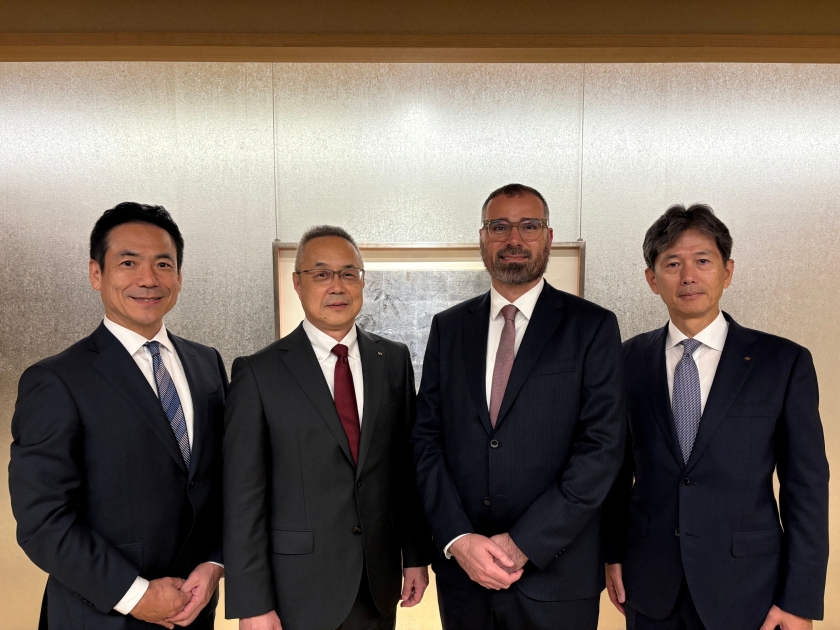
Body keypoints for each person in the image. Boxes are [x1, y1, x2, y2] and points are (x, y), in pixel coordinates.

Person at [602, 204, 829, 630]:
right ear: (652, 279)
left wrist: (799, 598)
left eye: (703, 261)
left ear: (727, 271)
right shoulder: (624, 361)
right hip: (649, 583)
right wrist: (612, 553)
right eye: (672, 263)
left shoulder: (783, 363)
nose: (688, 275)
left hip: (749, 589)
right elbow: (615, 471)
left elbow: (806, 487)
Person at [411, 183, 626, 629]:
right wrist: (457, 539)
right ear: (482, 239)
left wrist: (524, 542)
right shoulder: (449, 328)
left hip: (557, 577)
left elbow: (601, 451)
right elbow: (426, 440)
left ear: (548, 238)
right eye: (499, 226)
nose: (514, 239)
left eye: (529, 226)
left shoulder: (592, 327)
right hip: (465, 578)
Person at [9, 202, 227, 629]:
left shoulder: (207, 364)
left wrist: (216, 561)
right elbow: (42, 520)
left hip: (194, 610)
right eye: (128, 262)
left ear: (179, 277)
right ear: (96, 274)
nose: (148, 279)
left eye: (163, 264)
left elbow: (222, 480)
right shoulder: (56, 380)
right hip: (99, 615)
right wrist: (136, 595)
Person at [223, 225, 432, 630]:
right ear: (297, 283)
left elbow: (406, 471)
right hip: (296, 590)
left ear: (362, 282)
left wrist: (416, 556)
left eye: (348, 273)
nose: (336, 285)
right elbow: (243, 496)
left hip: (378, 581)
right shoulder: (258, 373)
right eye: (321, 274)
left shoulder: (392, 360)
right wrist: (251, 603)